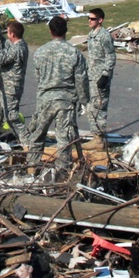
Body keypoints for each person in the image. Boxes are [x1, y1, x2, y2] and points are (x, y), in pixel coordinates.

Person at [28, 17, 89, 173]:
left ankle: (32, 167)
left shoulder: (40, 52)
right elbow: (81, 80)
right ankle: (62, 172)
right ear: (66, 31)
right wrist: (84, 101)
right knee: (64, 139)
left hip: (45, 99)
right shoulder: (74, 53)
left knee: (38, 134)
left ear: (50, 31)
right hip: (65, 101)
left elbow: (38, 76)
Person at [0, 21, 30, 152]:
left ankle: (27, 142)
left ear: (12, 34)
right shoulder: (17, 45)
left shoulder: (18, 49)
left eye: (8, 32)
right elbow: (5, 44)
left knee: (11, 117)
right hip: (5, 86)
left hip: (11, 88)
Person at [82, 8, 116, 149]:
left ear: (100, 20)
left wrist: (105, 75)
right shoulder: (92, 34)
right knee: (91, 107)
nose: (90, 21)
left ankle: (99, 139)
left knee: (98, 108)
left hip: (100, 78)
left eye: (93, 18)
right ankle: (96, 136)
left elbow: (111, 56)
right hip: (92, 76)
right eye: (88, 18)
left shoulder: (104, 36)